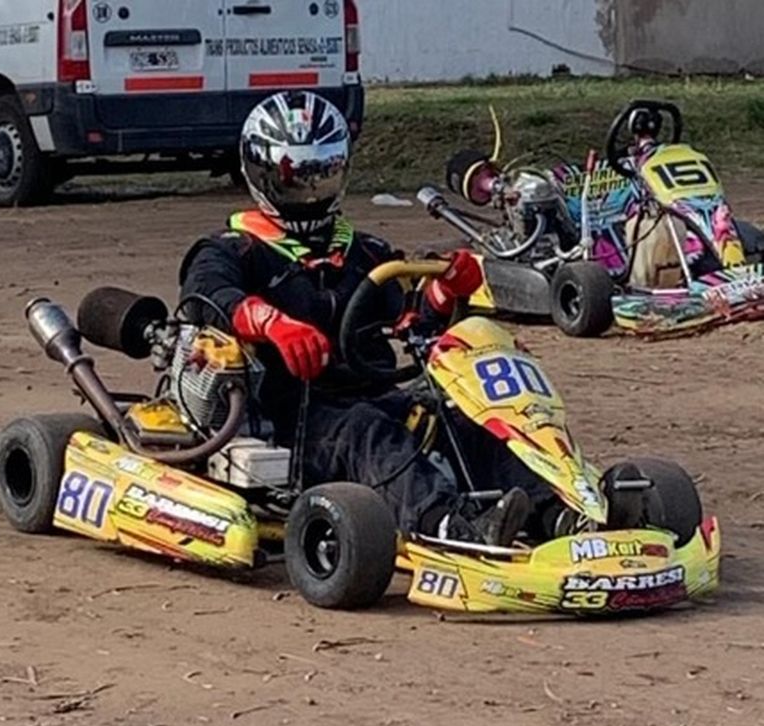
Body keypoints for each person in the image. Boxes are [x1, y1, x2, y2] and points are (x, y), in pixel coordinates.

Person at [179, 91, 548, 546]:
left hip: (374, 393)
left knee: (463, 417)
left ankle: (553, 512)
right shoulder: (234, 248)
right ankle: (448, 525)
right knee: (367, 432)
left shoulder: (364, 251)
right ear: (263, 174)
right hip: (291, 416)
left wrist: (447, 289)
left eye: (322, 174)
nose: (311, 192)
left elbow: (414, 319)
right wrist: (269, 321)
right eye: (298, 177)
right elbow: (205, 297)